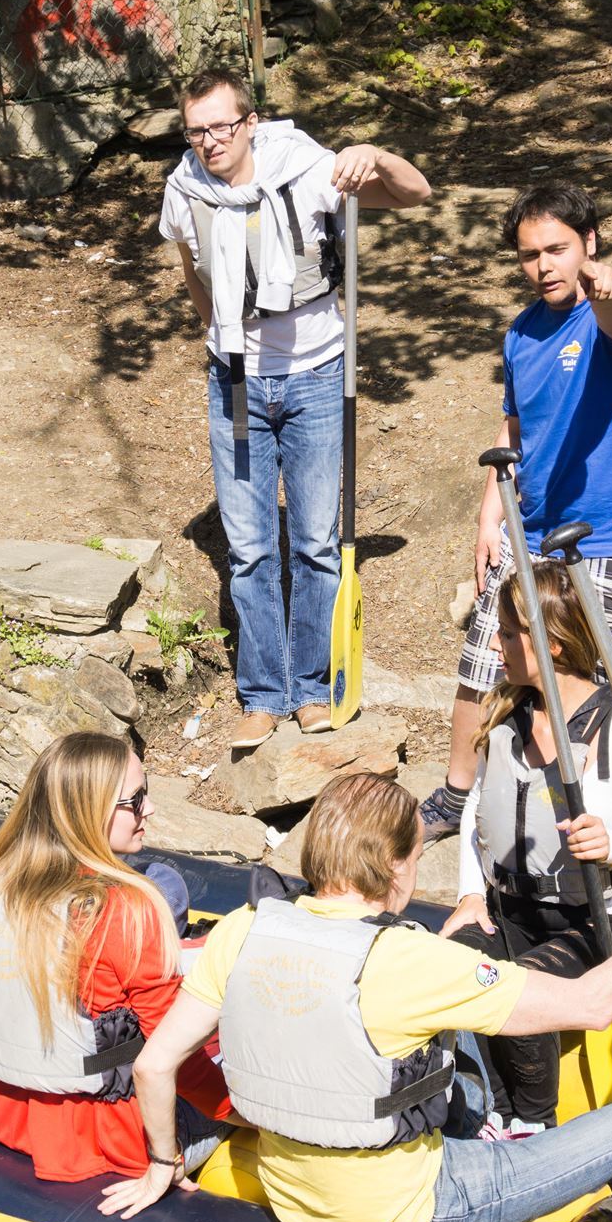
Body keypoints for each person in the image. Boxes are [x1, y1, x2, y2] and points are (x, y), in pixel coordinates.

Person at [98, 773, 612, 1222]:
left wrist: (162, 1163)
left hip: (301, 1208)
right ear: (396, 864)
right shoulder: (412, 961)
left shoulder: (243, 929)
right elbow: (593, 1004)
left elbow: (154, 1065)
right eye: (418, 855)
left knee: (462, 1074)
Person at [158, 65, 432, 749]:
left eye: (222, 126)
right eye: (196, 130)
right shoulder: (184, 188)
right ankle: (262, 695)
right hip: (235, 385)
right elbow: (190, 263)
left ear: (250, 123)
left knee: (313, 543)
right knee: (249, 549)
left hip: (314, 377)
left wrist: (377, 156)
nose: (210, 141)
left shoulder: (308, 169)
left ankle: (311, 688)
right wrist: (217, 334)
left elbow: (416, 193)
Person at [420, 181, 612, 842]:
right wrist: (489, 516)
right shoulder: (522, 332)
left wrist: (608, 289)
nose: (543, 266)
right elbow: (514, 427)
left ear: (588, 243)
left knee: (605, 681)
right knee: (486, 659)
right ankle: (456, 797)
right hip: (533, 530)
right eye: (530, 254)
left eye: (557, 249)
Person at [439, 561, 612, 1138]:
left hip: (597, 921)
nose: (496, 644)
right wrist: (470, 895)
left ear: (552, 645)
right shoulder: (506, 712)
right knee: (457, 962)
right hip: (512, 910)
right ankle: (492, 1114)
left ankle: (534, 1125)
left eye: (509, 633)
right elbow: (476, 811)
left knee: (517, 987)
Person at [0, 731, 232, 1183]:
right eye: (135, 800)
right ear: (92, 809)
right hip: (104, 1137)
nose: (150, 810)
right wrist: (243, 1110)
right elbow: (177, 1061)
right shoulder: (127, 909)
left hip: (1, 1115)